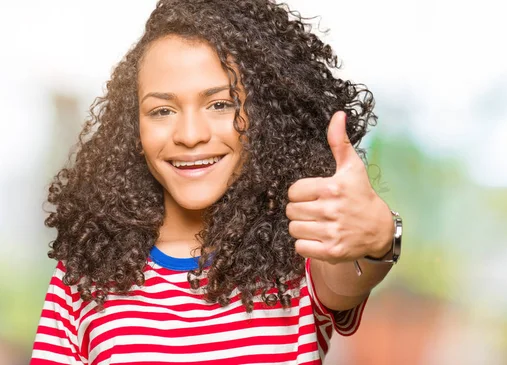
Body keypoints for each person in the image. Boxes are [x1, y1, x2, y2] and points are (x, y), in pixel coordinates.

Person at [30, 0, 401, 364]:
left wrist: (381, 236)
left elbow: (346, 277)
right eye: (162, 110)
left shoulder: (299, 247)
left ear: (266, 115)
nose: (190, 135)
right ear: (133, 130)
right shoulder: (85, 273)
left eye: (221, 104)